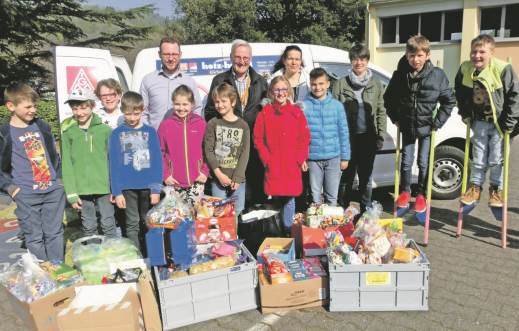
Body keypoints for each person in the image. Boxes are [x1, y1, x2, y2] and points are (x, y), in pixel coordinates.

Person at [384, 35, 456, 212]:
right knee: (406, 162)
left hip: (427, 127)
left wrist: (437, 122)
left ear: (427, 55)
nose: (415, 60)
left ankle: (422, 193)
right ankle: (405, 191)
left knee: (424, 161)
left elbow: (449, 100)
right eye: (411, 56)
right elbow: (389, 99)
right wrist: (396, 118)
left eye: (419, 56)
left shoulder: (437, 75)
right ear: (406, 55)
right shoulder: (400, 75)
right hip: (407, 126)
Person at [0, 83, 64, 261]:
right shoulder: (4, 133)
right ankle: (43, 276)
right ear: (11, 106)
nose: (33, 110)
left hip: (53, 191)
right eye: (28, 106)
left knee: (54, 234)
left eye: (34, 105)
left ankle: (59, 273)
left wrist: (58, 180)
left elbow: (54, 155)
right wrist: (11, 188)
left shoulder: (42, 126)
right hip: (26, 193)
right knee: (34, 238)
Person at [456, 34, 519, 207]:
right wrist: (464, 113)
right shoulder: (465, 69)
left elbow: (515, 96)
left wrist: (509, 122)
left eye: (482, 52)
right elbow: (460, 93)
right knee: (478, 157)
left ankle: (495, 189)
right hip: (479, 120)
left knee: (496, 158)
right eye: (474, 52)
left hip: (500, 122)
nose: (477, 55)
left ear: (492, 52)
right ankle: (475, 188)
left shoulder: (503, 68)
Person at [204, 39, 267, 207]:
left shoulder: (261, 82)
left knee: (253, 197)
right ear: (231, 57)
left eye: (245, 57)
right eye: (238, 57)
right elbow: (210, 112)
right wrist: (224, 133)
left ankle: (250, 232)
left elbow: (266, 114)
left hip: (252, 148)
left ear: (250, 58)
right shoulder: (220, 80)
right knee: (225, 204)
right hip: (228, 151)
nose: (242, 61)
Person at [332, 44, 387, 213]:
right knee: (346, 177)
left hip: (368, 137)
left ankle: (366, 211)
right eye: (355, 59)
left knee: (366, 178)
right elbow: (334, 113)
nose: (359, 62)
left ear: (367, 61)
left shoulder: (376, 84)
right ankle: (342, 209)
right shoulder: (341, 84)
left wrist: (380, 136)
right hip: (348, 139)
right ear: (351, 61)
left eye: (362, 59)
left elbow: (380, 111)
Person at [254, 76, 310, 234]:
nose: (281, 93)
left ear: (289, 91)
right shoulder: (265, 113)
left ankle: (287, 231)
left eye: (284, 89)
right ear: (272, 91)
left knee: (290, 199)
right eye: (277, 89)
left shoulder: (296, 112)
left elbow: (304, 137)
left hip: (292, 163)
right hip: (274, 163)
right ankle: (276, 231)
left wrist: (301, 158)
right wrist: (266, 159)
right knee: (276, 199)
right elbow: (258, 139)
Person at [109, 91, 162, 251]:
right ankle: (137, 259)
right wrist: (117, 192)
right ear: (122, 111)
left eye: (136, 114)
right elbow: (114, 164)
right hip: (127, 188)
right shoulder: (116, 134)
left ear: (142, 110)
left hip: (147, 188)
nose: (132, 118)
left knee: (149, 222)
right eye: (128, 114)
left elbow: (157, 162)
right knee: (131, 224)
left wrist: (155, 188)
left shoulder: (150, 132)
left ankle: (153, 257)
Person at [61, 89, 117, 237]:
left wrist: (115, 188)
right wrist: (72, 194)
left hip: (104, 187)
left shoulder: (105, 130)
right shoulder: (68, 133)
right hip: (81, 189)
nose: (79, 112)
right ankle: (93, 257)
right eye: (75, 108)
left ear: (92, 106)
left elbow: (114, 161)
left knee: (108, 223)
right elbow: (66, 164)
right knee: (88, 225)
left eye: (83, 107)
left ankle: (113, 256)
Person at [303, 68, 350, 206]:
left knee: (332, 197)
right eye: (314, 84)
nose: (317, 87)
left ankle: (330, 227)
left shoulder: (337, 106)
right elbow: (300, 136)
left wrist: (345, 157)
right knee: (315, 197)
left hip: (333, 158)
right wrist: (302, 158)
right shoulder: (303, 106)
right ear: (310, 84)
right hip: (313, 159)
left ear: (328, 84)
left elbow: (343, 133)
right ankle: (316, 227)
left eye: (321, 83)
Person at [204, 83, 250, 217]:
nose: (220, 105)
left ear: (233, 102)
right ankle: (222, 238)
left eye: (223, 101)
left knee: (238, 211)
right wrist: (218, 174)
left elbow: (245, 153)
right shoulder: (213, 123)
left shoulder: (243, 125)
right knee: (219, 213)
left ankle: (237, 237)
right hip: (218, 178)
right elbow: (209, 150)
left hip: (238, 178)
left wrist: (238, 176)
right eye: (216, 102)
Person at [158, 85, 209, 204]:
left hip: (197, 181)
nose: (181, 108)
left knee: (196, 215)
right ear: (173, 104)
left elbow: (208, 150)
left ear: (192, 104)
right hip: (173, 182)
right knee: (176, 218)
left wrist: (205, 171)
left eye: (185, 104)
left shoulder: (200, 124)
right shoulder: (166, 125)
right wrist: (166, 175)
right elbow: (159, 152)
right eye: (177, 104)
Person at [140, 37, 202, 130]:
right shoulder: (148, 80)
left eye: (174, 54)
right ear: (159, 54)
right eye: (166, 54)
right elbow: (142, 112)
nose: (171, 58)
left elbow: (196, 109)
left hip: (182, 140)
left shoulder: (189, 82)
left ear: (180, 54)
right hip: (156, 140)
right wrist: (149, 133)